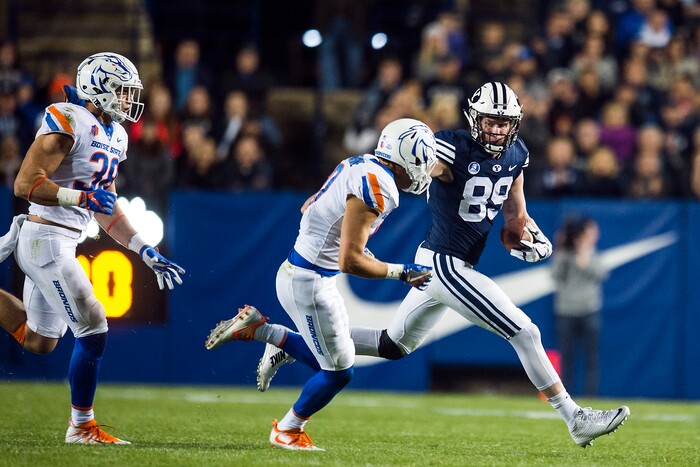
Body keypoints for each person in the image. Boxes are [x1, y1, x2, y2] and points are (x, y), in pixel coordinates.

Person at [256, 82, 630, 448]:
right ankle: (574, 418)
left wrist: (528, 234)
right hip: (444, 263)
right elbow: (393, 156)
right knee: (526, 333)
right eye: (489, 121)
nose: (497, 129)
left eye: (504, 122)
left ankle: (294, 343)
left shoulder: (518, 154)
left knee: (393, 345)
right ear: (474, 118)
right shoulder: (449, 148)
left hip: (446, 264)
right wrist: (329, 194)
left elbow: (515, 216)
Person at [205, 118, 440, 450]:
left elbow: (309, 206)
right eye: (421, 160)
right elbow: (350, 261)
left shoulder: (361, 163)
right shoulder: (379, 186)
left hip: (303, 272)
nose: (423, 169)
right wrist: (401, 272)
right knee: (338, 371)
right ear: (404, 157)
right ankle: (287, 429)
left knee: (332, 356)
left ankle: (274, 337)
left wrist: (340, 238)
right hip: (310, 283)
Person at [0, 52, 185, 444]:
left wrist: (143, 248)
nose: (128, 98)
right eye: (121, 90)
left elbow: (108, 205)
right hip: (45, 237)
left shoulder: (116, 134)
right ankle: (81, 427)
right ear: (97, 87)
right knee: (94, 326)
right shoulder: (68, 120)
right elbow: (24, 183)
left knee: (39, 341)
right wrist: (79, 199)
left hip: (61, 239)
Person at [551, 216, 607, 396]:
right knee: (566, 358)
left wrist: (584, 251)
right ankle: (565, 398)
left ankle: (591, 396)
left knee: (592, 358)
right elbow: (555, 275)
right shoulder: (564, 254)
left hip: (589, 310)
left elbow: (600, 273)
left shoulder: (592, 253)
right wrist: (559, 249)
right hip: (566, 311)